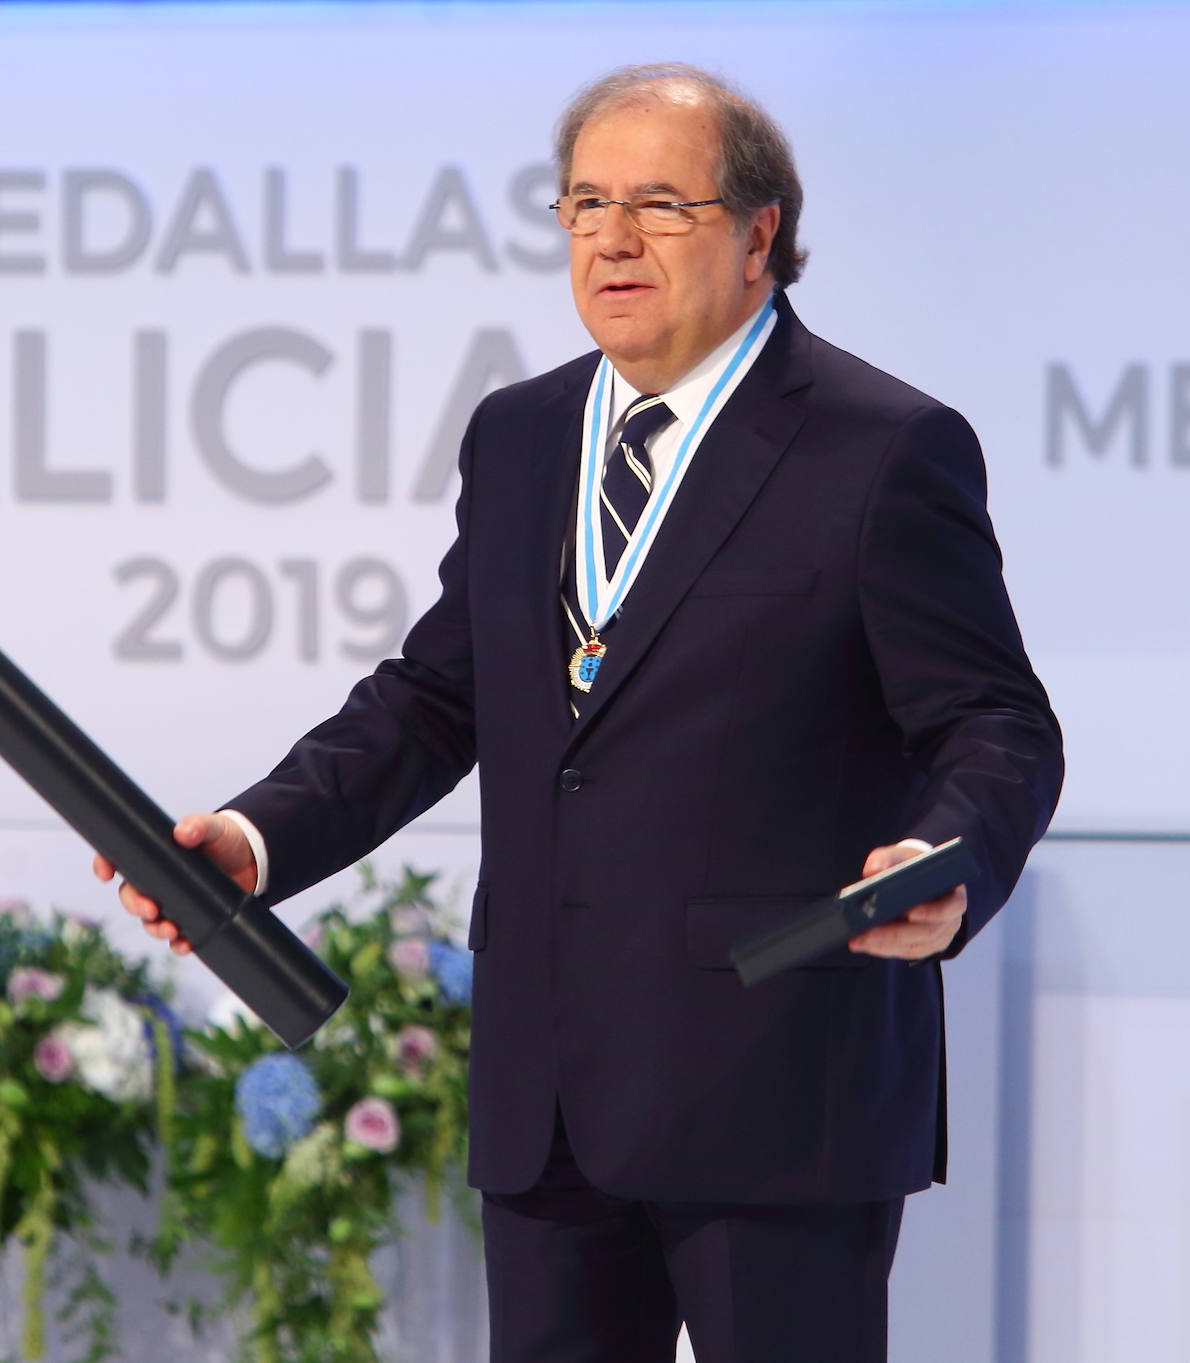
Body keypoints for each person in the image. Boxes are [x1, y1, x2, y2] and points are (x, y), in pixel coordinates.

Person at [97, 63, 1062, 1363]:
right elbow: (439, 695)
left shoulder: (878, 446)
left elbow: (996, 724)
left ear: (756, 231)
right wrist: (257, 841)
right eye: (583, 203)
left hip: (774, 1083)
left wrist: (946, 857)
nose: (609, 238)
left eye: (658, 204)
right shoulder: (521, 435)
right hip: (548, 1094)